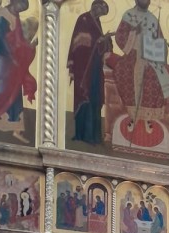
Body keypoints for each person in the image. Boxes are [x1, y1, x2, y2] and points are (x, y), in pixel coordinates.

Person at [112, 0, 169, 130]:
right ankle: (132, 116)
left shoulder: (153, 19)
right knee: (123, 72)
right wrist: (134, 32)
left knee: (154, 77)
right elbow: (120, 36)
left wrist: (158, 52)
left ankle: (148, 117)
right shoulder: (129, 15)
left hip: (151, 57)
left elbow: (159, 41)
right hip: (132, 52)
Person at [0, 0, 38, 142]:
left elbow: (18, 40)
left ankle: (16, 128)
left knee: (16, 89)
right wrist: (11, 56)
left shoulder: (15, 16)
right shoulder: (1, 15)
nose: (20, 10)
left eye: (23, 8)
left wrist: (29, 46)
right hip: (1, 58)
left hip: (12, 58)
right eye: (20, 6)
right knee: (2, 89)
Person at [67, 0, 112, 145]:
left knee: (94, 99)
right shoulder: (84, 19)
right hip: (83, 67)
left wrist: (105, 41)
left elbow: (99, 47)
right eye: (101, 10)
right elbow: (80, 42)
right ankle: (83, 135)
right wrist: (98, 41)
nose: (101, 14)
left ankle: (94, 136)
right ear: (95, 6)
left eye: (103, 13)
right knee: (83, 96)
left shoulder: (97, 23)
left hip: (94, 68)